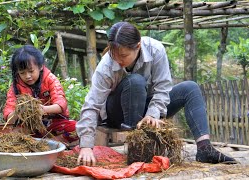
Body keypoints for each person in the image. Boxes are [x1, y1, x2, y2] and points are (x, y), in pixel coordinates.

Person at [76, 22, 236, 166]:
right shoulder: (107, 65)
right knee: (135, 81)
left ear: (138, 46)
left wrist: (152, 114)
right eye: (115, 55)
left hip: (148, 111)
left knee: (190, 88)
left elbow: (163, 88)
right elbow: (92, 104)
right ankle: (139, 145)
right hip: (118, 115)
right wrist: (86, 146)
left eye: (123, 56)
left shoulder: (156, 49)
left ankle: (204, 148)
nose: (118, 60)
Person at [3, 45, 78, 144]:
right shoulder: (15, 87)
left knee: (79, 128)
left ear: (40, 66)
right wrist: (19, 110)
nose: (28, 76)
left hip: (54, 124)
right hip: (29, 128)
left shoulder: (50, 79)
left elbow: (61, 105)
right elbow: (9, 118)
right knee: (10, 136)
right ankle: (42, 144)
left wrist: (41, 109)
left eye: (31, 71)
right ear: (17, 73)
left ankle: (50, 143)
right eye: (22, 73)